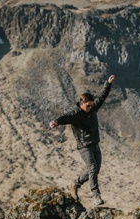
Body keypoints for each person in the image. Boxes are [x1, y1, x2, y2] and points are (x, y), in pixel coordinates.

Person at [48, 75, 116, 206]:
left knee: (95, 170)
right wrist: (56, 122)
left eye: (91, 105)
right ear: (81, 104)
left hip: (95, 144)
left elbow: (102, 96)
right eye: (88, 106)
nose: (90, 107)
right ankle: (96, 195)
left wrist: (108, 83)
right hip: (84, 147)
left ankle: (74, 184)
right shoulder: (76, 114)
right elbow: (65, 117)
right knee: (92, 167)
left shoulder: (94, 107)